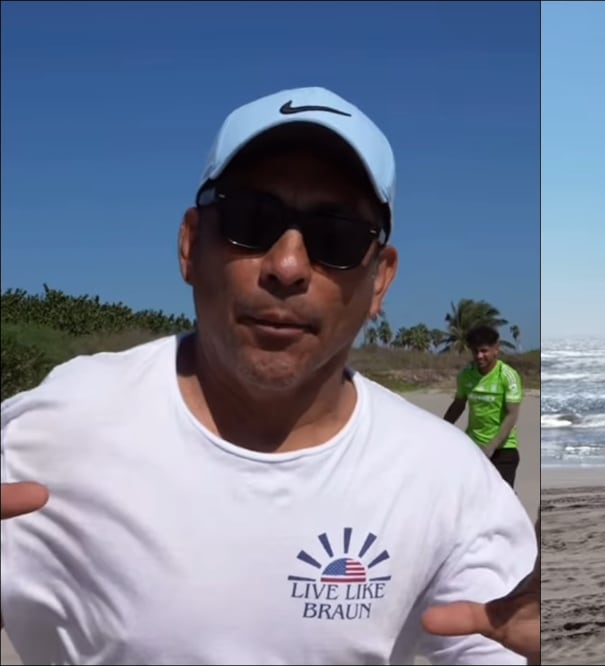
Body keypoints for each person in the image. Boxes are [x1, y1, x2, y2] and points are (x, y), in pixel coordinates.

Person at [0, 86, 540, 665]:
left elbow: (494, 639)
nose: (287, 267)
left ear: (380, 280)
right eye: (249, 220)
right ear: (189, 245)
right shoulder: (57, 429)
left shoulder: (448, 483)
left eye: (335, 236)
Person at [443, 325, 523, 488]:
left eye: (484, 351)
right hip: (473, 447)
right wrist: (441, 428)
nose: (479, 356)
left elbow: (512, 415)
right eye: (475, 352)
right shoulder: (466, 374)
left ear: (496, 349)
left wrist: (491, 447)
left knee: (502, 502)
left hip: (503, 450)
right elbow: (459, 404)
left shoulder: (508, 376)